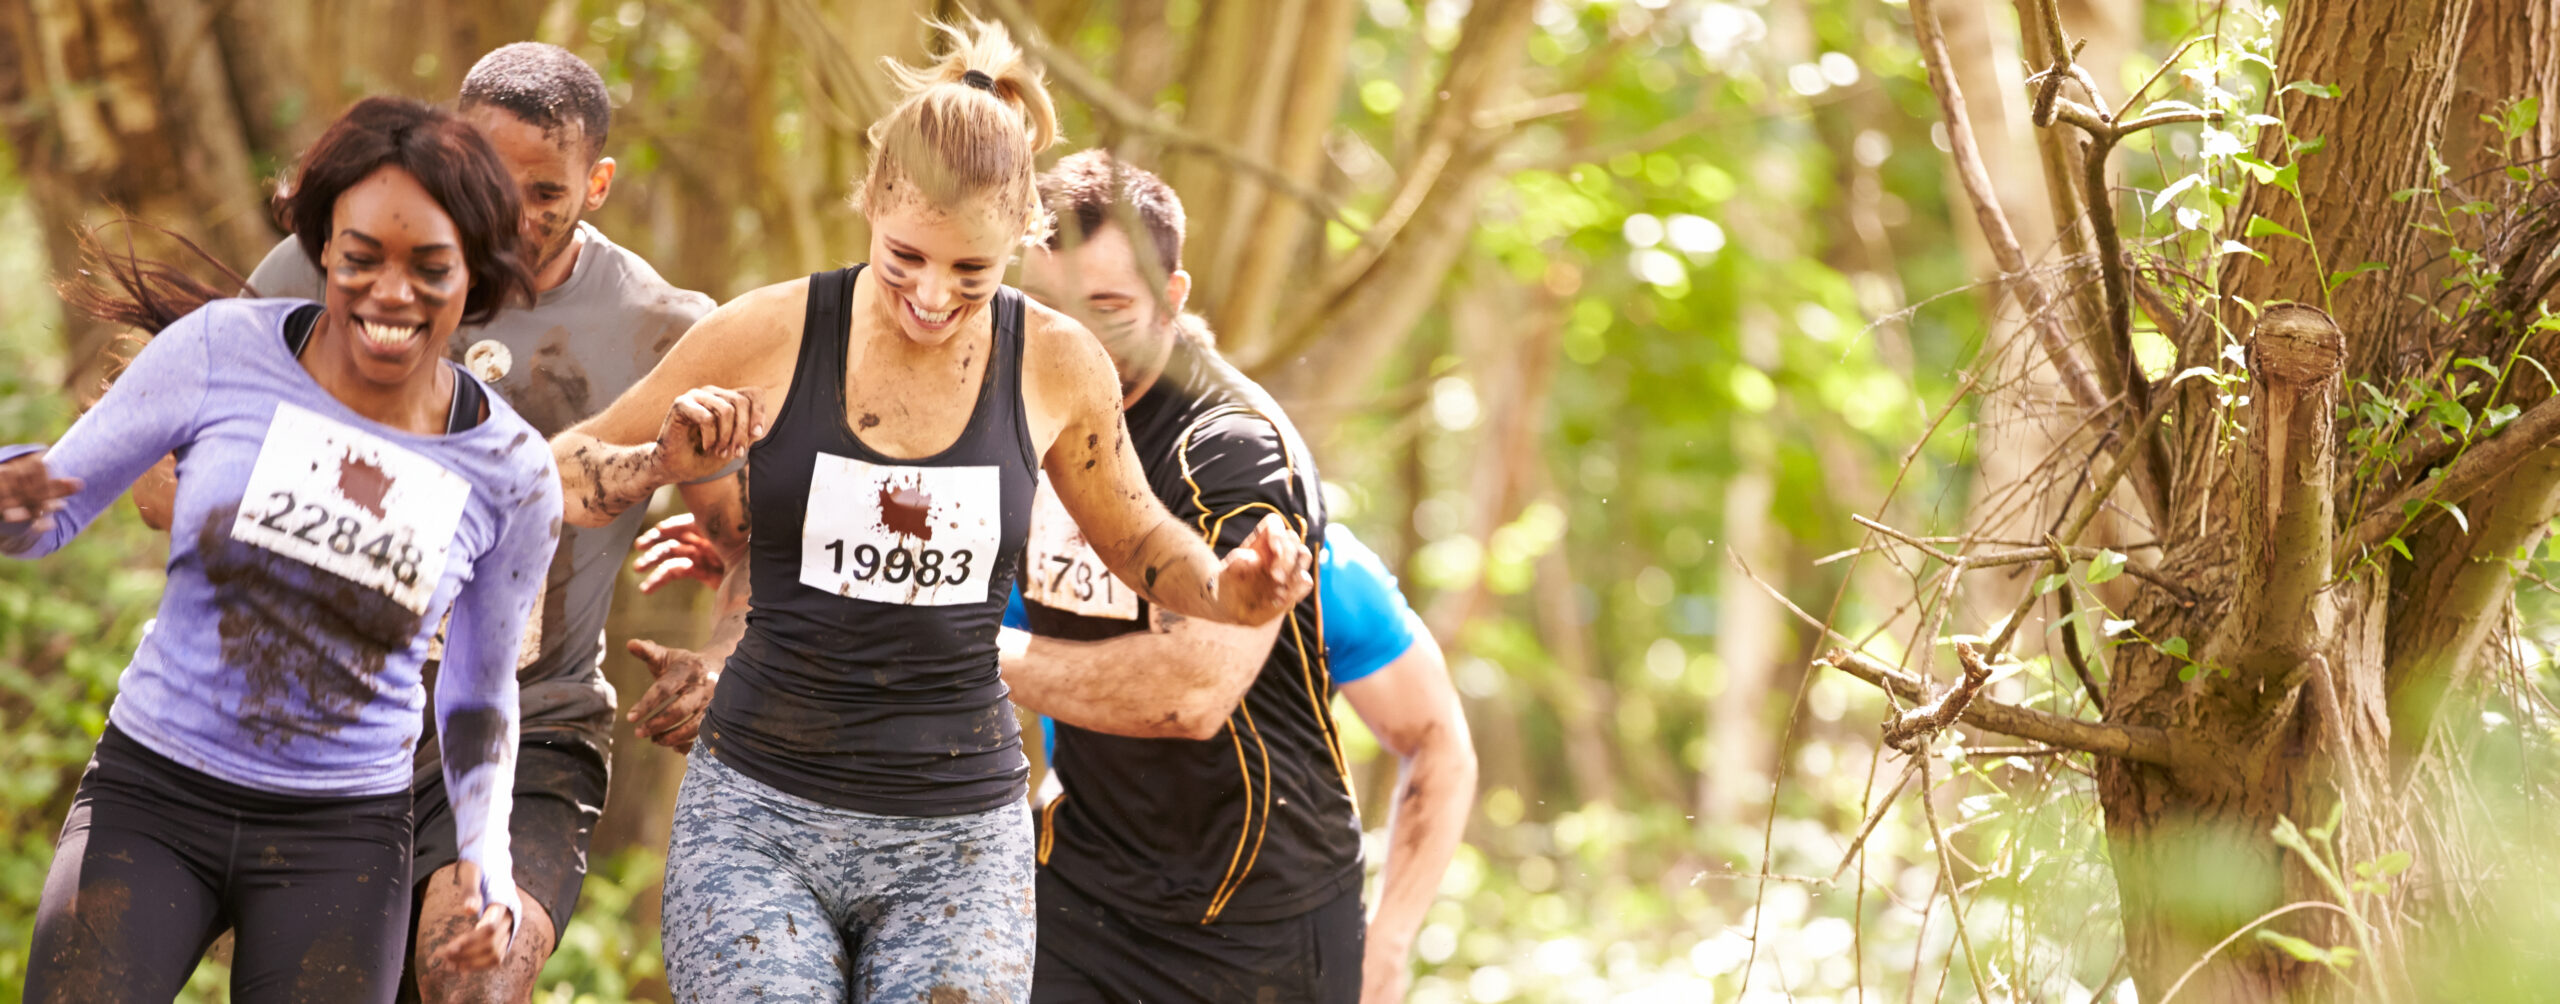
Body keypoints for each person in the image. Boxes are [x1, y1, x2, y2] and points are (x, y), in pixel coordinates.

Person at [547, 16, 1312, 1004]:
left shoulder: (1054, 361)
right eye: (906, 255)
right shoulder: (772, 330)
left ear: (1020, 246)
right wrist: (661, 458)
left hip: (958, 839)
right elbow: (562, 471)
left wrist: (1230, 587)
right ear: (869, 203)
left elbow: (1140, 538)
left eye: (972, 272)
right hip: (761, 813)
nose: (933, 294)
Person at [8, 95, 556, 1003]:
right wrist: (12, 493)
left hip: (340, 838)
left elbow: (477, 688)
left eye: (430, 267)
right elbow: (49, 515)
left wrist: (485, 863)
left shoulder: (510, 470)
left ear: (476, 277)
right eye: (360, 259)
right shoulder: (221, 351)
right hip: (154, 794)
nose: (391, 293)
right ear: (323, 252)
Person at [209, 43, 722, 1002]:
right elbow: (190, 459)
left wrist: (726, 653)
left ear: (598, 184)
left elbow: (756, 539)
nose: (513, 218)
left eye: (546, 193)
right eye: (489, 180)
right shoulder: (336, 268)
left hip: (533, 724)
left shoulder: (664, 330)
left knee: (473, 978)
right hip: (333, 713)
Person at [1004, 152, 1474, 1004]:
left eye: (1106, 310)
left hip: (1261, 928)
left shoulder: (1245, 470)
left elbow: (1192, 696)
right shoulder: (1008, 410)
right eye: (1046, 308)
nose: (1069, 340)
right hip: (1078, 900)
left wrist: (1392, 943)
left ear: (1172, 298)